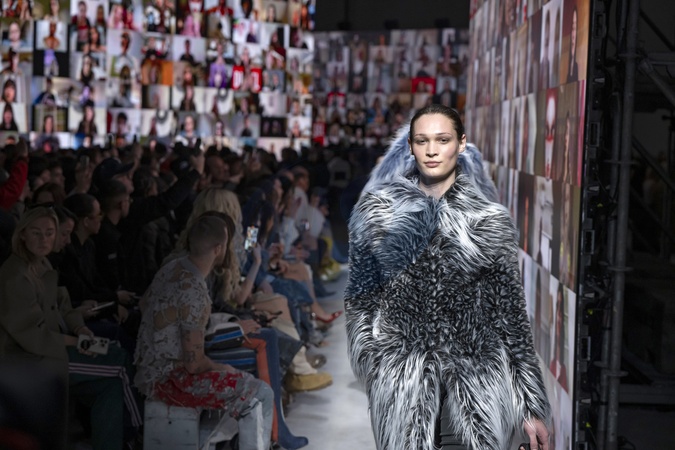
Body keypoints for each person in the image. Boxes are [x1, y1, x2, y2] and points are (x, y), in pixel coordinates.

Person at [345, 104, 551, 450]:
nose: (432, 150)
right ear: (410, 146)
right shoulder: (377, 214)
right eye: (422, 140)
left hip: (476, 381)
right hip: (402, 383)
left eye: (442, 140)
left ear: (461, 143)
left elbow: (511, 317)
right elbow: (361, 298)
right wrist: (373, 362)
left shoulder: (489, 221)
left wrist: (530, 404)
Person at [135, 215, 273, 450]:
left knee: (241, 383)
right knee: (260, 393)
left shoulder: (171, 268)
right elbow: (194, 365)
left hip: (148, 371)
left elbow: (143, 304)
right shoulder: (195, 291)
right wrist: (223, 368)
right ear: (218, 249)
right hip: (169, 381)